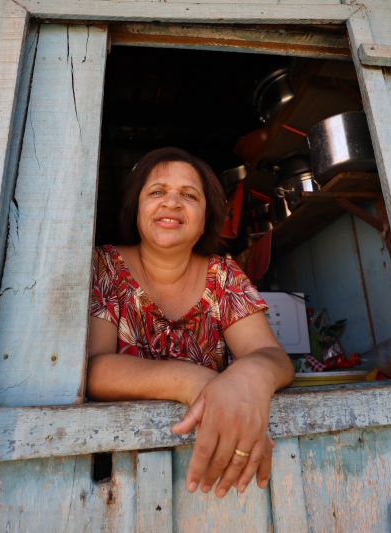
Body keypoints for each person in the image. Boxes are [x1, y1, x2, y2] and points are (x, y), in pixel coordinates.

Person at [87, 147, 294, 498]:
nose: (171, 202)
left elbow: (272, 357)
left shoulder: (224, 275)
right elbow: (94, 370)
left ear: (204, 220)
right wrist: (195, 380)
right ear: (136, 209)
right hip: (114, 475)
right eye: (156, 192)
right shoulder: (104, 265)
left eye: (189, 195)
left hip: (213, 480)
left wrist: (251, 377)